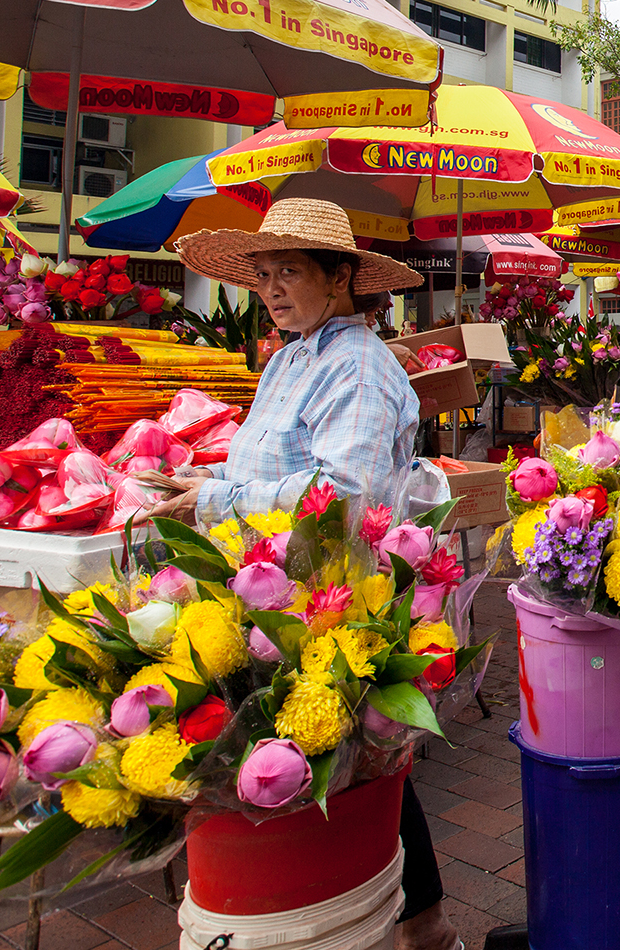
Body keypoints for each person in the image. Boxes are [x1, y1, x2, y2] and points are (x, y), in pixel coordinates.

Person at [159, 199, 457, 950]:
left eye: (288, 271)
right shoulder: (293, 355)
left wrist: (222, 496)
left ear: (343, 275)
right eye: (262, 276)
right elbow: (266, 458)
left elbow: (343, 495)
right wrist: (201, 474)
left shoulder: (356, 367)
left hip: (330, 599)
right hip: (274, 592)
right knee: (359, 766)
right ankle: (422, 925)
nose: (272, 289)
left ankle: (403, 924)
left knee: (352, 767)